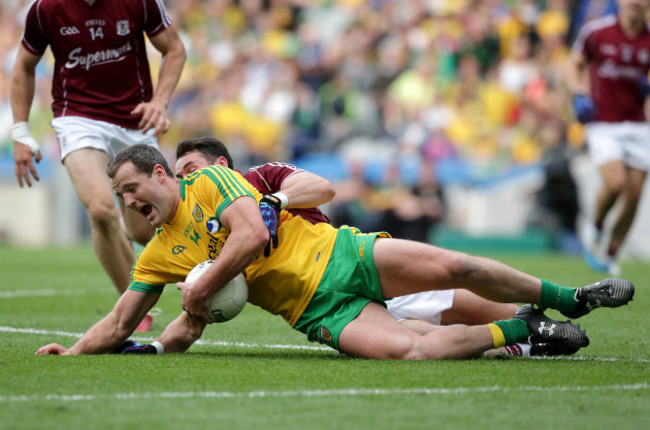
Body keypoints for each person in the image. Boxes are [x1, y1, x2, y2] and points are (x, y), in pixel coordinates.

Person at [35, 143, 634, 360]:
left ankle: (572, 298)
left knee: (459, 267)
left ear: (164, 175)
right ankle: (527, 336)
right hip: (316, 312)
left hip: (341, 254)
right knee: (414, 353)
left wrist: (200, 284)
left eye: (130, 189)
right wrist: (77, 350)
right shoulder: (159, 253)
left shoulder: (212, 180)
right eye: (119, 196)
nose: (125, 202)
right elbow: (121, 319)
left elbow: (246, 236)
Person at [173, 137, 549, 357]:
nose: (185, 181)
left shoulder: (258, 177)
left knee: (499, 308)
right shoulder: (197, 226)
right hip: (325, 304)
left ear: (220, 164)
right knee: (419, 343)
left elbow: (323, 188)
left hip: (351, 267)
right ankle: (523, 339)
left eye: (190, 170)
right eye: (179, 177)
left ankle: (545, 322)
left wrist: (275, 200)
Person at [11, 0, 186, 330]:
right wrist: (20, 132)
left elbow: (175, 49)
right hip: (78, 118)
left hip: (135, 122)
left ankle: (121, 235)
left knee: (145, 230)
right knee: (101, 209)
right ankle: (133, 309)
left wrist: (160, 102)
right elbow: (23, 65)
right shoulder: (45, 8)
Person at [568, 0, 650, 275]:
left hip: (638, 125)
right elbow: (576, 64)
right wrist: (579, 94)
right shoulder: (597, 32)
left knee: (635, 194)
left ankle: (610, 253)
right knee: (615, 183)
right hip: (603, 122)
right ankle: (596, 227)